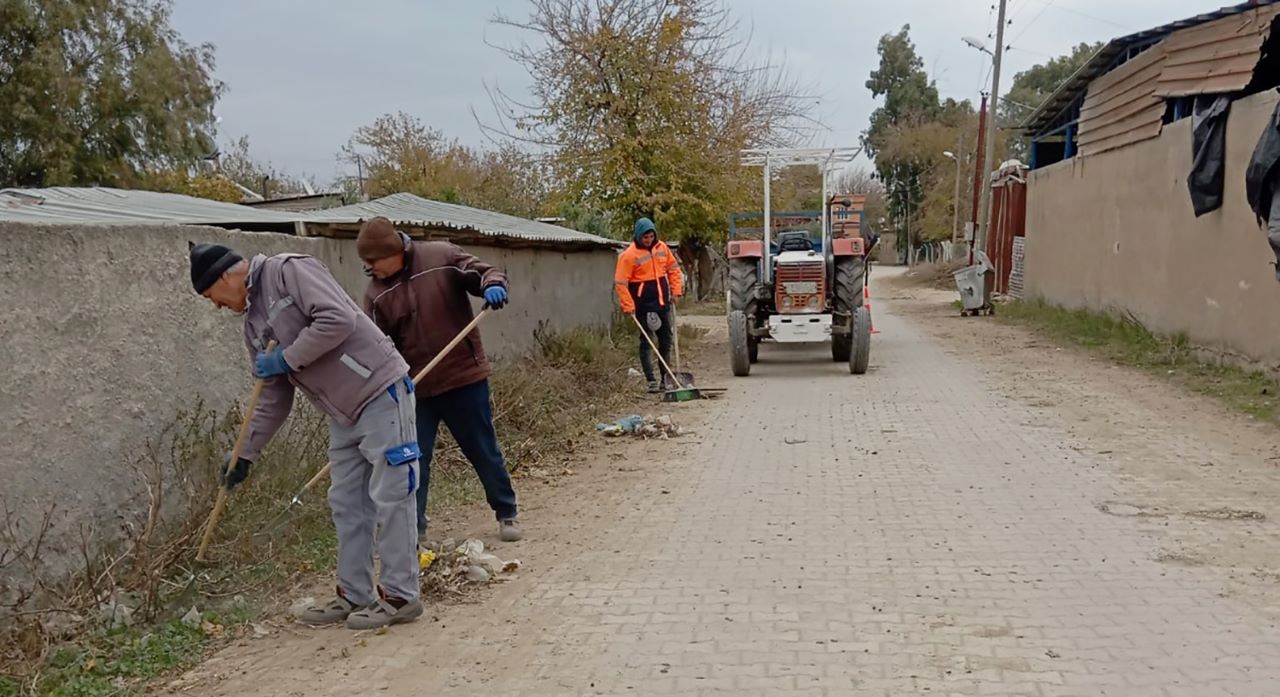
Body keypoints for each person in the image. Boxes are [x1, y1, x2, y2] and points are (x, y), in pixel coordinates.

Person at [189, 242, 422, 630]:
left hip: (380, 391)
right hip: (341, 412)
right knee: (347, 504)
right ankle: (354, 595)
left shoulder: (288, 271)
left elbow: (337, 319)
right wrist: (244, 453)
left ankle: (401, 597)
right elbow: (273, 396)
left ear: (226, 277)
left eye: (212, 297)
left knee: (392, 494)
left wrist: (287, 357)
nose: (216, 307)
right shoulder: (253, 324)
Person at [355, 217, 522, 544]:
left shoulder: (440, 257)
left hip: (464, 377)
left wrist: (492, 285)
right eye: (366, 263)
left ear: (393, 251)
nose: (370, 268)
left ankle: (507, 512)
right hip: (417, 390)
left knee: (482, 449)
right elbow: (377, 347)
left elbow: (485, 272)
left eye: (373, 261)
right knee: (413, 460)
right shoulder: (376, 295)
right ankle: (413, 530)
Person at [614, 217, 684, 392]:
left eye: (651, 236)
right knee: (647, 342)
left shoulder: (663, 248)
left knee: (665, 341)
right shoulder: (629, 255)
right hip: (643, 306)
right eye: (645, 237)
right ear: (638, 236)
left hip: (662, 304)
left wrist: (676, 291)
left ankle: (665, 379)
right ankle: (651, 380)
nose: (649, 240)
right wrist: (628, 305)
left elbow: (674, 270)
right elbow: (621, 283)